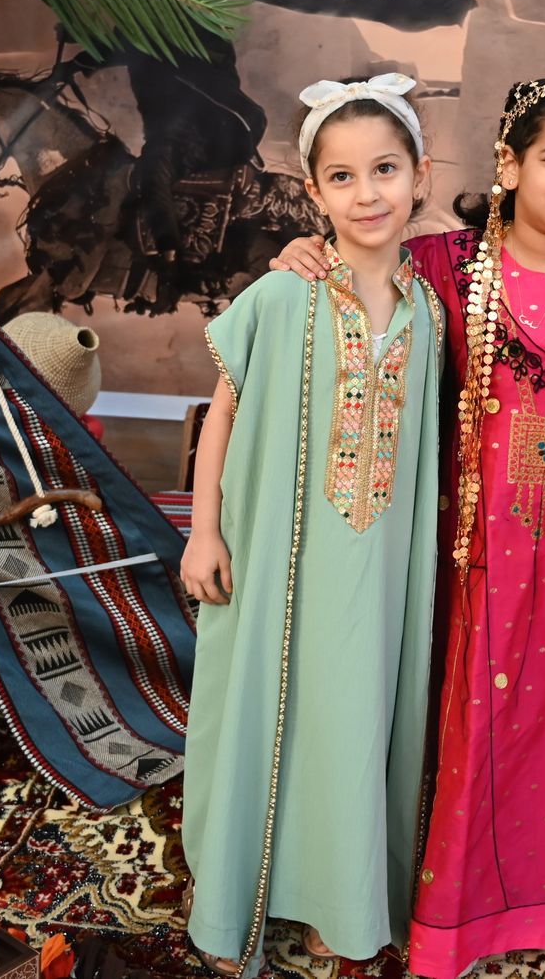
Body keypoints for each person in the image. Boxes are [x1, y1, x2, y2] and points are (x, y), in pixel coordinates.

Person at [273, 77, 545, 977]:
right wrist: (302, 252)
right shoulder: (446, 264)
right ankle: (457, 914)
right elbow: (356, 278)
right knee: (479, 712)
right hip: (478, 538)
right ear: (509, 162)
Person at [178, 73, 445, 977]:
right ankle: (236, 903)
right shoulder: (281, 295)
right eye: (341, 177)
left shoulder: (433, 314)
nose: (366, 194)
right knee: (264, 710)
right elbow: (223, 410)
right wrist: (202, 530)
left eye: (384, 171)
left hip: (378, 572)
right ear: (313, 191)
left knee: (355, 721)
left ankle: (342, 898)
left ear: (421, 175)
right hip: (273, 558)